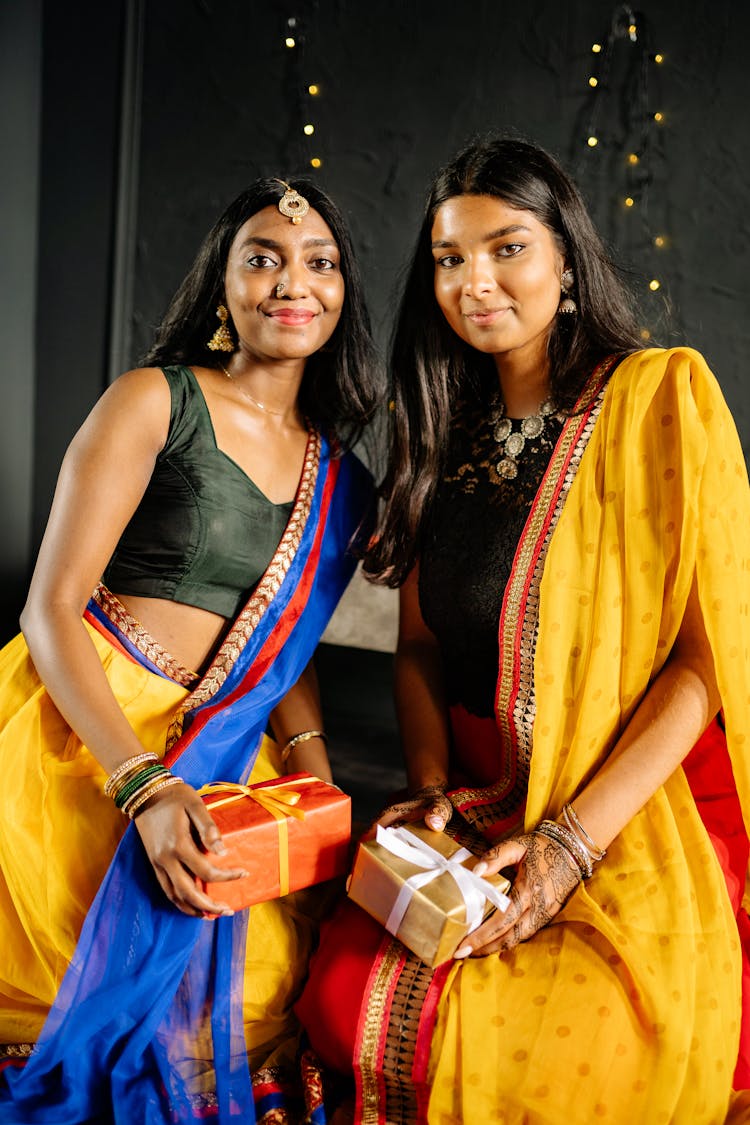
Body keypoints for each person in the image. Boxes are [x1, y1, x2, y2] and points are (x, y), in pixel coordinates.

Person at [295, 137, 750, 1123]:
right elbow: (416, 649)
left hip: (629, 804)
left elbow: (703, 671)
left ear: (569, 266)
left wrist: (570, 843)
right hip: (476, 796)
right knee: (339, 1006)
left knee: (565, 1060)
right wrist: (427, 797)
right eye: (450, 259)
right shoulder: (446, 433)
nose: (475, 282)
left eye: (507, 249)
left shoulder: (658, 403)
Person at [0, 176, 379, 1122]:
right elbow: (50, 608)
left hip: (227, 756)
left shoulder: (346, 477)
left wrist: (317, 791)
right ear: (224, 287)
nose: (295, 281)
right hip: (84, 735)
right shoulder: (153, 401)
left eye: (320, 263)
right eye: (264, 258)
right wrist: (143, 786)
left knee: (251, 997)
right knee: (61, 963)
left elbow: (282, 656)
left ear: (343, 294)